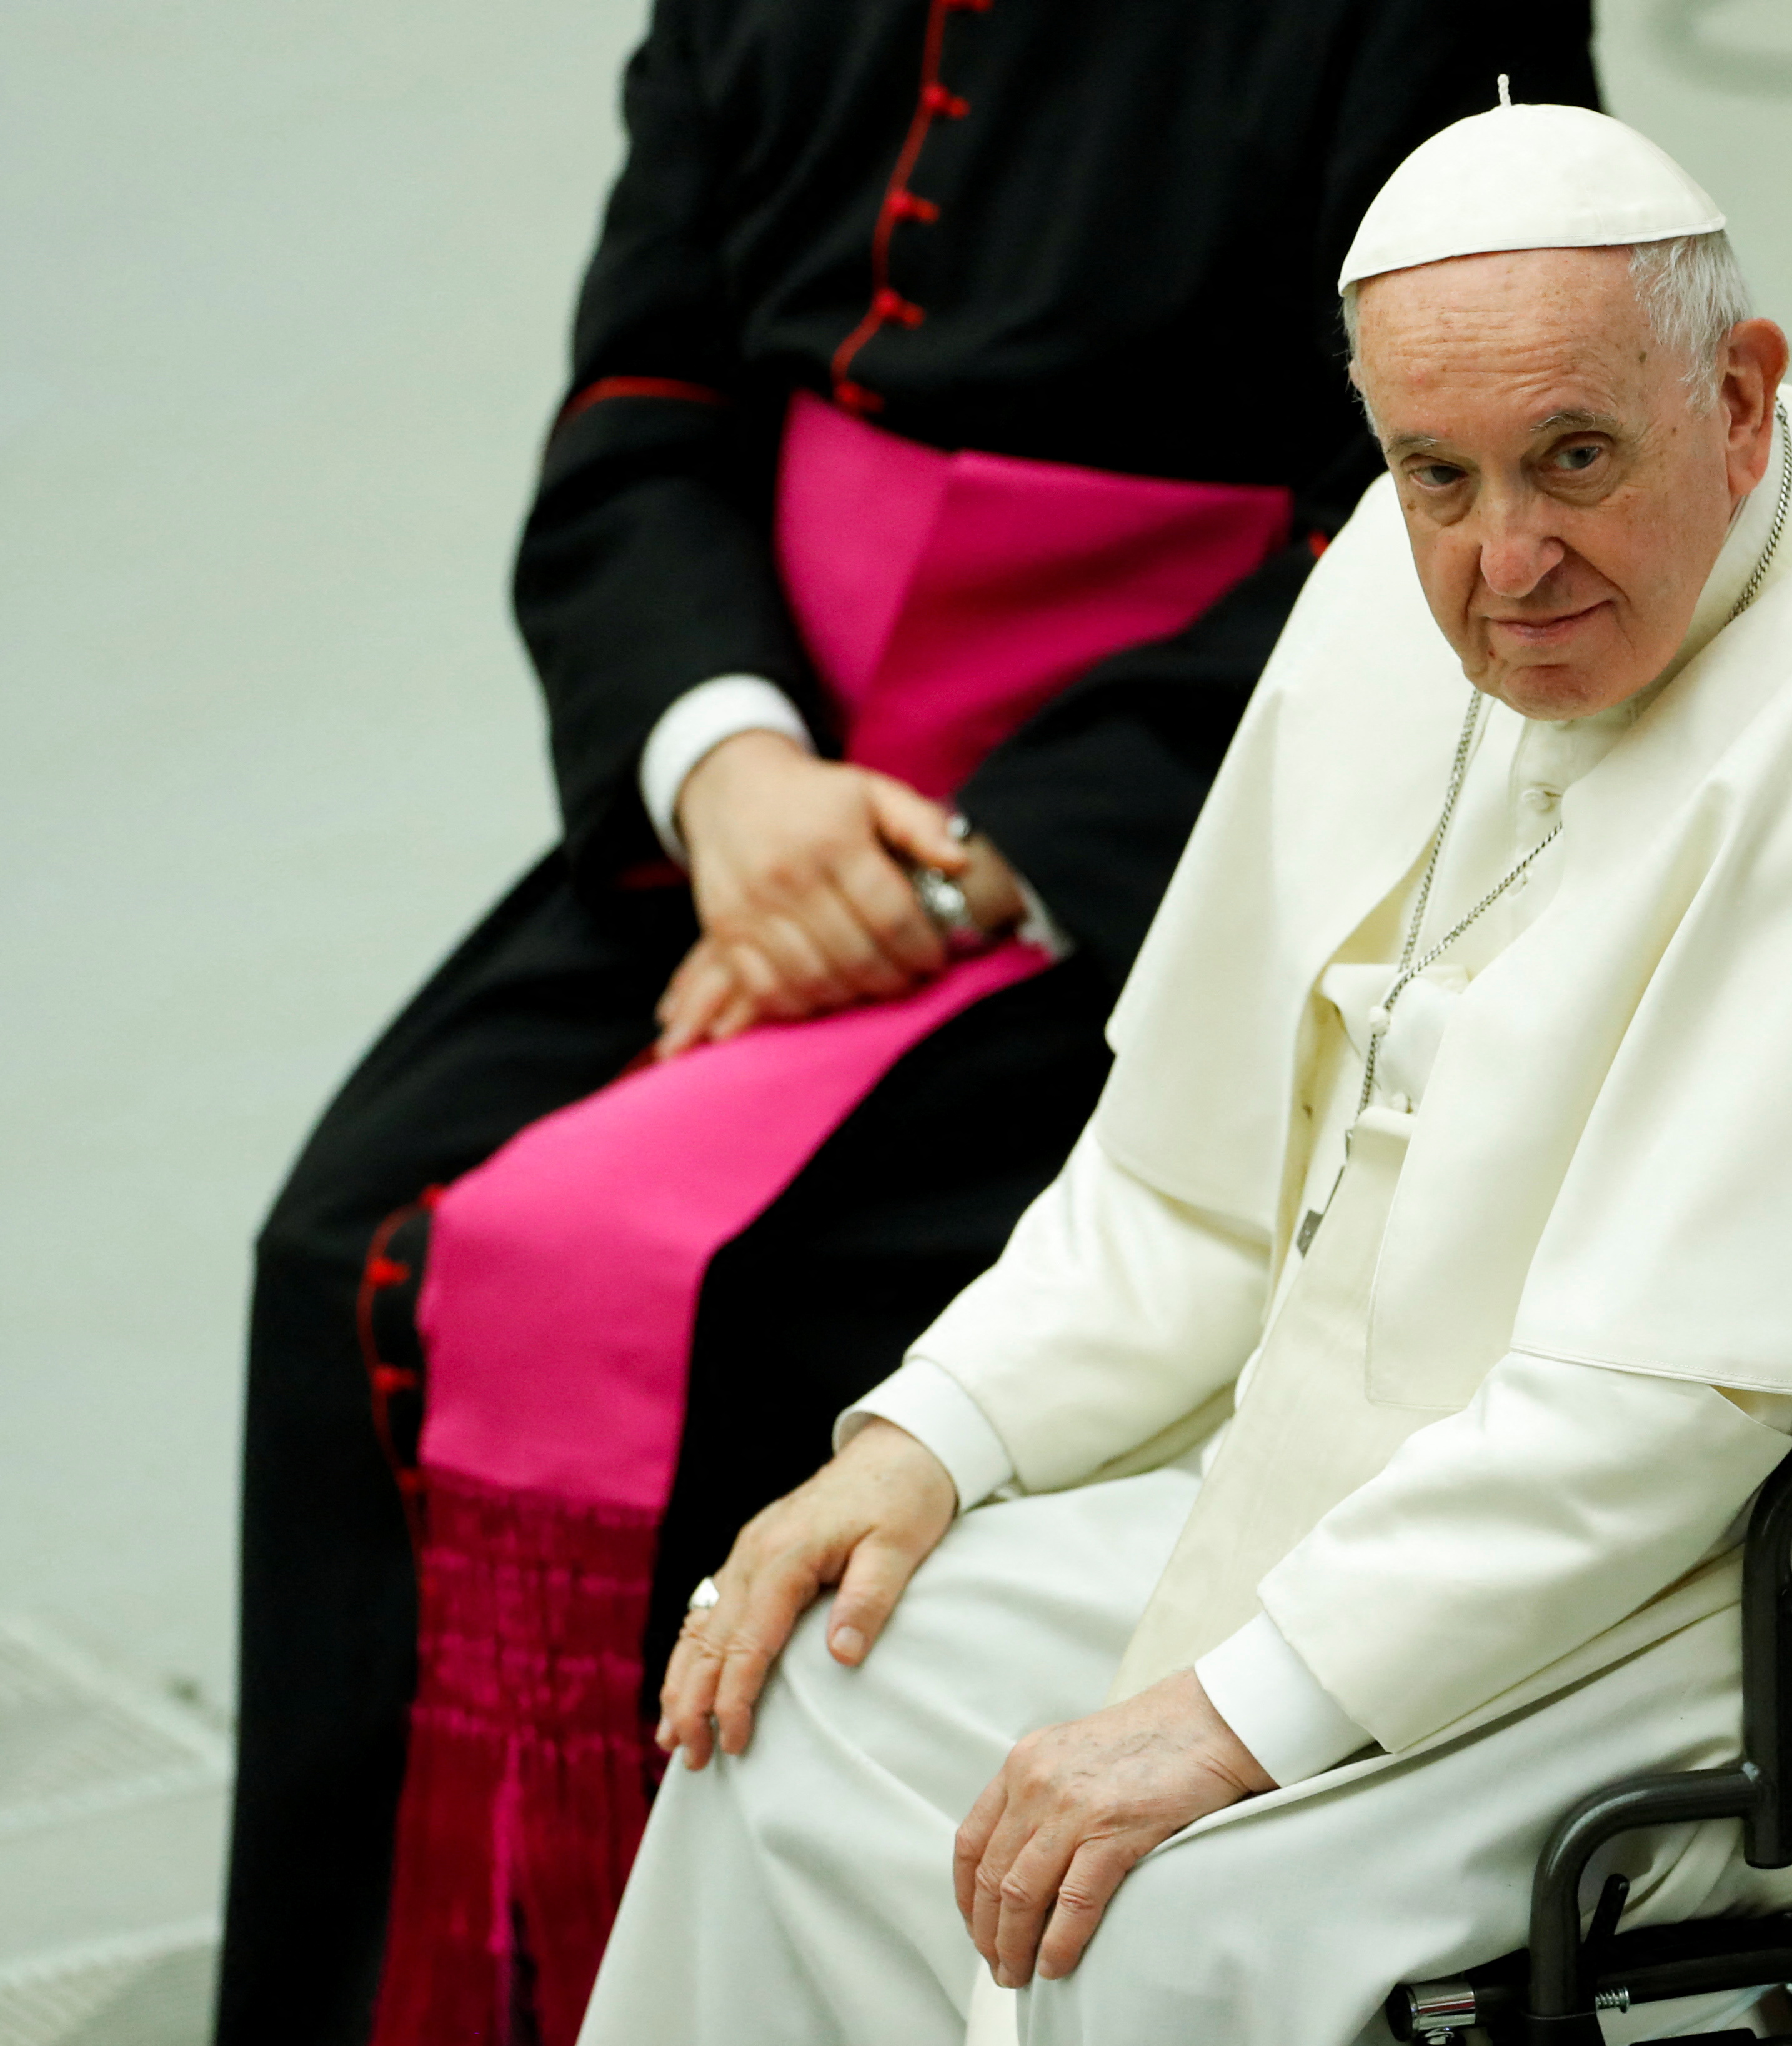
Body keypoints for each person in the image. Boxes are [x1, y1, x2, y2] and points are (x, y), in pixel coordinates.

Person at [577, 101, 1792, 2045]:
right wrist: (923, 1439)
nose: (1509, 563)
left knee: (1151, 1914)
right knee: (810, 1701)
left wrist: (1225, 1717)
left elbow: (1675, 1405)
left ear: (1740, 397)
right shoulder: (1398, 596)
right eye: (1437, 476)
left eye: (1576, 458)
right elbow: (1195, 1174)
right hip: (1422, 1467)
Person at [217, 8, 1600, 2043]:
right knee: (349, 1251)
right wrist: (730, 775)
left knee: (744, 1299)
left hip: (1152, 847)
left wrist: (986, 864)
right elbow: (640, 406)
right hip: (764, 806)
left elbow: (1404, 512)